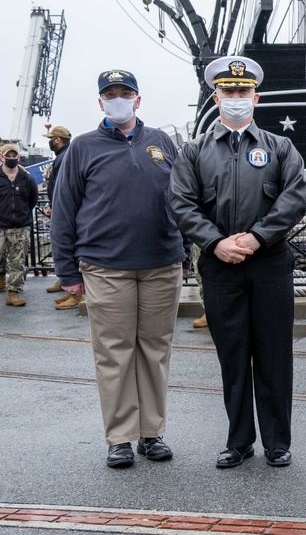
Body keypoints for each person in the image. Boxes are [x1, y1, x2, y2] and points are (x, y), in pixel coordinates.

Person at [170, 56, 306, 469]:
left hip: (268, 263)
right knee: (233, 355)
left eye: (242, 92)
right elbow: (181, 202)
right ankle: (239, 440)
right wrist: (215, 242)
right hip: (220, 266)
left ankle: (277, 441)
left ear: (256, 97)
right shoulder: (194, 151)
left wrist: (256, 236)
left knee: (274, 353)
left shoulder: (279, 147)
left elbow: (295, 196)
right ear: (217, 96)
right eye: (228, 92)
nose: (235, 98)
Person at [50, 69, 186, 468]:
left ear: (138, 100)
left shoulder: (161, 142)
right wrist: (68, 272)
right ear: (100, 103)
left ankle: (151, 432)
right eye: (110, 94)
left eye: (125, 93)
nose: (118, 99)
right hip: (106, 267)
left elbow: (182, 199)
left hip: (161, 265)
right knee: (114, 353)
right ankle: (121, 437)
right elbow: (64, 212)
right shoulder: (82, 148)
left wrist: (188, 251)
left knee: (155, 350)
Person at [41, 125, 78, 307]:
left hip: (63, 210)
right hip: (63, 207)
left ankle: (76, 293)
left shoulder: (63, 159)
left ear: (56, 140)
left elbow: (61, 187)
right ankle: (69, 287)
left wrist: (55, 207)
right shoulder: (69, 156)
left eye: (51, 139)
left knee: (66, 245)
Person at [1, 143, 39, 307]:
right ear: (1, 157)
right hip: (0, 225)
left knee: (17, 261)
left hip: (20, 226)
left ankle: (13, 293)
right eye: (7, 156)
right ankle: (2, 279)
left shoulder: (26, 178)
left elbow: (33, 199)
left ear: (18, 157)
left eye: (13, 156)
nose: (11, 158)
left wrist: (22, 215)